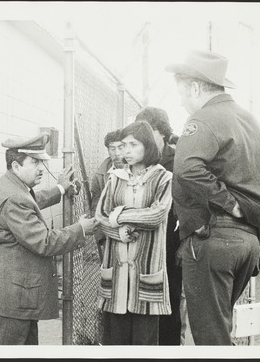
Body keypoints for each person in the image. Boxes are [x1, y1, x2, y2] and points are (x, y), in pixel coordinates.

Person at [166, 50, 260, 345]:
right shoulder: (250, 121)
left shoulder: (203, 119)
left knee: (212, 340)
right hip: (248, 242)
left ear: (195, 87)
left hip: (215, 240)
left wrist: (228, 202)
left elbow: (185, 169)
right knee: (220, 331)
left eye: (182, 93)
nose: (182, 101)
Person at [0, 132, 99, 345]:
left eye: (41, 161)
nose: (41, 167)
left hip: (16, 296)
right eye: (34, 162)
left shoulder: (13, 186)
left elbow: (33, 202)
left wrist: (60, 189)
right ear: (16, 166)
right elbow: (44, 242)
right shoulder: (14, 197)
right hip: (11, 300)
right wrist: (81, 229)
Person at [95, 120, 173, 345]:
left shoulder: (163, 178)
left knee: (144, 343)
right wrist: (119, 233)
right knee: (115, 341)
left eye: (133, 145)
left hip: (146, 271)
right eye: (124, 145)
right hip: (117, 273)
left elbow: (156, 215)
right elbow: (100, 216)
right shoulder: (115, 178)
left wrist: (119, 214)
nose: (126, 151)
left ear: (147, 146)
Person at [135, 107, 184, 346]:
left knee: (170, 301)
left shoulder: (179, 160)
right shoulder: (139, 162)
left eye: (149, 131)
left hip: (171, 240)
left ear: (162, 132)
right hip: (143, 241)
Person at [90, 129, 124, 253]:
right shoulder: (100, 176)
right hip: (110, 235)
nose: (117, 153)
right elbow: (96, 208)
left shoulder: (139, 170)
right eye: (112, 148)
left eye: (121, 147)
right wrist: (101, 238)